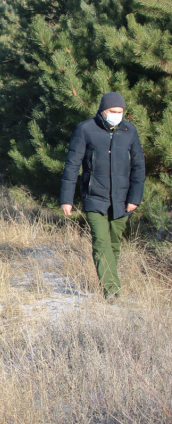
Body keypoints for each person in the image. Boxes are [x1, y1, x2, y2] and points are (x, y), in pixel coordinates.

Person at [60, 92, 145, 297]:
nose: (117, 115)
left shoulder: (129, 131)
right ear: (102, 111)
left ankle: (109, 281)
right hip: (94, 197)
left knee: (114, 243)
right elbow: (72, 166)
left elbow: (138, 167)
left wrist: (134, 198)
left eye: (120, 112)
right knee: (101, 242)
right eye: (113, 111)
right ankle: (111, 289)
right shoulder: (85, 129)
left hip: (122, 199)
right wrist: (66, 199)